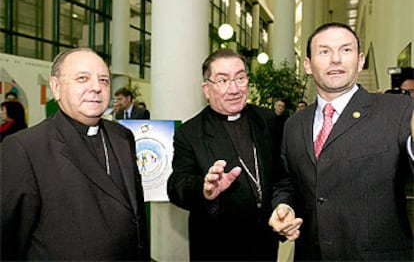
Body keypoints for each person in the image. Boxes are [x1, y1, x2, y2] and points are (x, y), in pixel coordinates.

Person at [273, 22, 414, 260]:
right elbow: (288, 182)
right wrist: (283, 207)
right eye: (324, 51)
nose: (336, 59)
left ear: (360, 61)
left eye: (346, 50)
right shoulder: (294, 125)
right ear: (307, 65)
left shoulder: (399, 112)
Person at [1, 48, 149, 260]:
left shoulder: (122, 136)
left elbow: (136, 216)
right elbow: (8, 241)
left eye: (104, 80)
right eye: (82, 78)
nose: (97, 88)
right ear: (56, 87)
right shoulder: (24, 148)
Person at [167, 48, 302, 261]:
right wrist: (204, 188)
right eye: (222, 81)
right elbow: (176, 186)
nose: (234, 89)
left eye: (240, 78)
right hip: (217, 247)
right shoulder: (190, 132)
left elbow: (283, 177)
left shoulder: (268, 121)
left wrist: (283, 206)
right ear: (207, 89)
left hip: (265, 245)